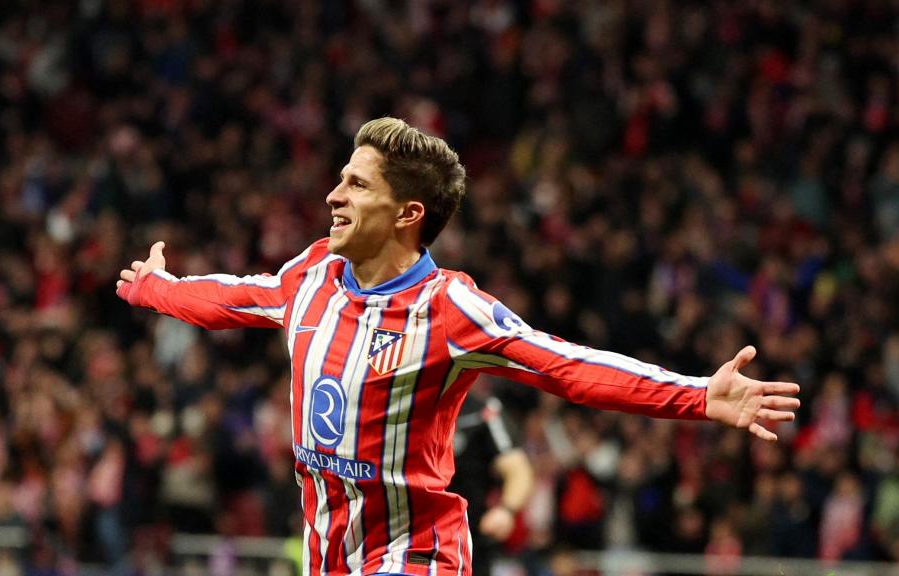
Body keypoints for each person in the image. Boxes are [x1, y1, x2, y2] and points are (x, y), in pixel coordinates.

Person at [116, 117, 801, 575]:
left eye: (355, 183)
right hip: (330, 557)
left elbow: (565, 365)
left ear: (409, 214)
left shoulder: (450, 310)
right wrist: (156, 289)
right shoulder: (314, 275)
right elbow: (235, 297)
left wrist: (697, 395)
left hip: (418, 556)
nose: (332, 194)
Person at [449, 384, 533, 575]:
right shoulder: (404, 407)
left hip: (467, 536)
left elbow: (517, 468)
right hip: (408, 533)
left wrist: (506, 510)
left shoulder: (483, 411)